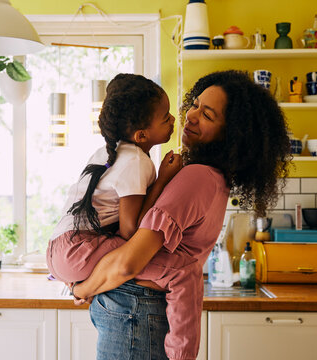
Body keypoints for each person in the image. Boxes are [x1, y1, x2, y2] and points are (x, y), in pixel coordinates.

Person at [70, 70, 292, 360]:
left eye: (208, 115)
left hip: (135, 310)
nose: (191, 115)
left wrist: (82, 288)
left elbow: (129, 261)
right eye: (196, 104)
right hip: (138, 310)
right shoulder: (214, 178)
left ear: (232, 136)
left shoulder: (196, 177)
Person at [47, 73, 181, 286]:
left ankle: (81, 285)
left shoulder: (108, 153)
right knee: (144, 249)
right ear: (141, 136)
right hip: (77, 252)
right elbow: (130, 231)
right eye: (166, 117)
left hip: (58, 251)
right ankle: (84, 289)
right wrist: (163, 179)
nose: (173, 119)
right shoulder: (136, 161)